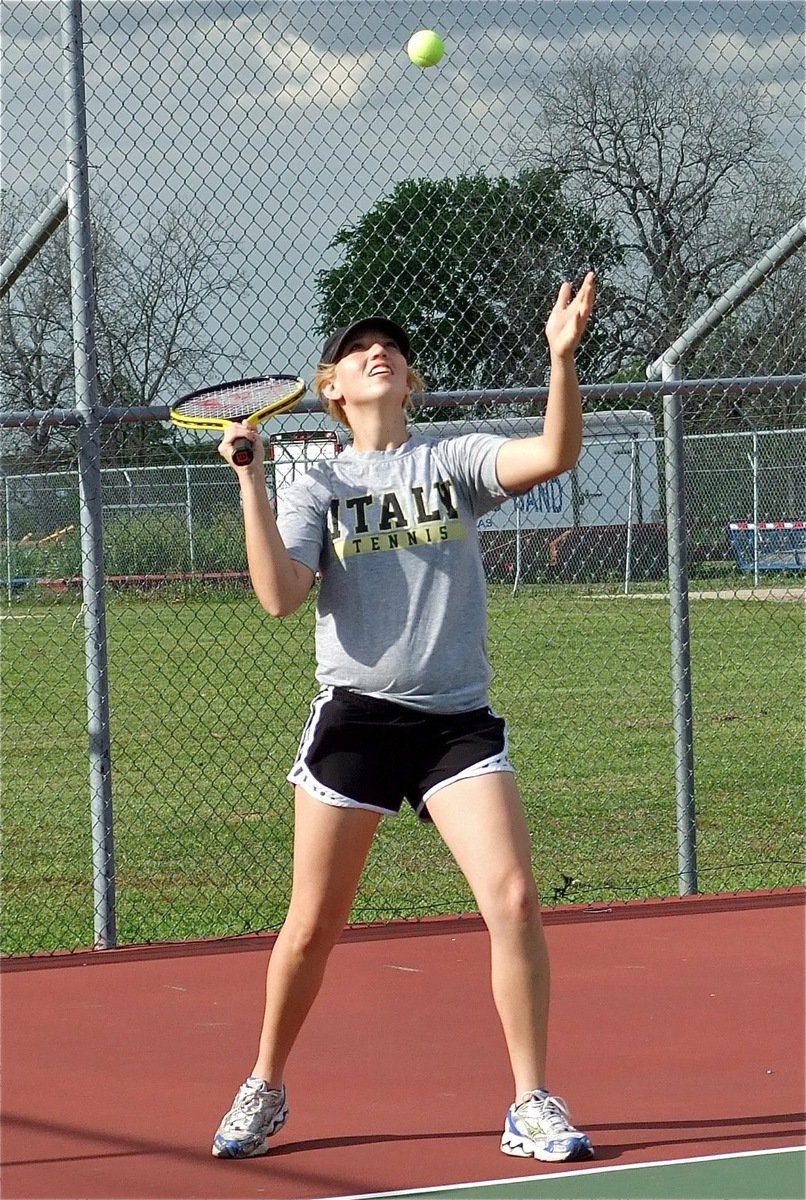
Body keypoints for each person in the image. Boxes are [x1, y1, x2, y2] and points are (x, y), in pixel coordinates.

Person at [212, 272, 597, 1165]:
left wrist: (560, 359)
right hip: (357, 724)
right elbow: (278, 597)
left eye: (390, 348)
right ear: (333, 387)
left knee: (513, 899)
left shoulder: (451, 460)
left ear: (411, 383)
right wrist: (252, 483)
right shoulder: (319, 484)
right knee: (313, 923)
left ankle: (530, 1100)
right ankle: (265, 1083)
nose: (376, 352)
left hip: (456, 723)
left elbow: (553, 455)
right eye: (355, 350)